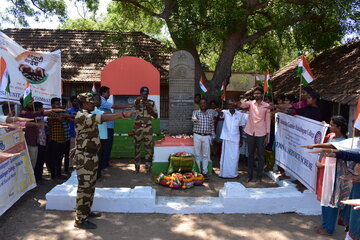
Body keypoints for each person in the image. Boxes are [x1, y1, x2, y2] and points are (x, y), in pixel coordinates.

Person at [73, 92, 136, 229]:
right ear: (84, 104)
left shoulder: (87, 114)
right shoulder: (83, 115)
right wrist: (121, 114)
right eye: (90, 102)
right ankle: (80, 220)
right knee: (84, 188)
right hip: (85, 157)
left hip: (90, 156)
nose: (93, 104)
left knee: (90, 186)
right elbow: (103, 118)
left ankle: (86, 212)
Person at [300, 115, 348, 235]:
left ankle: (329, 228)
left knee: (331, 202)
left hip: (334, 176)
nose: (330, 127)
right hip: (325, 174)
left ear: (339, 127)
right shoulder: (331, 137)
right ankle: (325, 224)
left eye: (332, 125)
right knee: (324, 199)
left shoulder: (343, 143)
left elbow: (342, 163)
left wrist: (323, 165)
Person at [234, 86, 271, 183]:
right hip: (250, 132)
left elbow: (267, 121)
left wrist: (267, 135)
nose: (256, 95)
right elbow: (241, 105)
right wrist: (236, 103)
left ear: (262, 94)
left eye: (258, 93)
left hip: (261, 133)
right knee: (250, 155)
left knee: (260, 156)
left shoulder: (266, 105)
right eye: (255, 93)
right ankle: (249, 176)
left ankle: (259, 177)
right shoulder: (250, 104)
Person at [99, 86, 132, 169]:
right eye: (108, 92)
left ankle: (105, 163)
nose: (109, 95)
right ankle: (103, 164)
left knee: (107, 146)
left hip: (108, 127)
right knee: (106, 146)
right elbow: (114, 106)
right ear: (103, 93)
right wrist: (127, 106)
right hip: (106, 128)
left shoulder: (103, 101)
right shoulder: (101, 100)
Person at [133, 86, 158, 173]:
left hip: (148, 127)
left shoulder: (152, 103)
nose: (145, 96)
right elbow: (135, 106)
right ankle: (137, 167)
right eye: (143, 94)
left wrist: (150, 109)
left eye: (146, 94)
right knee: (137, 147)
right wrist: (138, 100)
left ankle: (148, 167)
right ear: (140, 94)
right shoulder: (137, 102)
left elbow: (155, 116)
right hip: (138, 127)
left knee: (148, 147)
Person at [192, 98, 215, 178]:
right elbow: (194, 119)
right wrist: (196, 120)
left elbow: (212, 125)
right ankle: (198, 172)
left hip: (207, 136)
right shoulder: (196, 112)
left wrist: (212, 136)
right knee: (197, 154)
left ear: (206, 104)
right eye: (201, 103)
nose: (203, 105)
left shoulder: (210, 114)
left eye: (204, 103)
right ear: (199, 104)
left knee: (205, 155)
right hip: (197, 135)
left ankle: (205, 172)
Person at [218, 103, 243, 178]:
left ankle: (234, 173)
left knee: (235, 156)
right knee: (225, 157)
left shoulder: (239, 114)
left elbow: (240, 126)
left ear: (235, 108)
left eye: (232, 107)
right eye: (230, 107)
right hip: (227, 138)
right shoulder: (225, 112)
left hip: (235, 138)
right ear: (228, 107)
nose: (231, 109)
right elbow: (220, 115)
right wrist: (220, 110)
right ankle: (223, 174)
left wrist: (241, 138)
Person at [67, 96, 80, 172]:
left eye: (77, 101)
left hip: (80, 134)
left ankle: (78, 165)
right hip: (72, 133)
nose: (76, 103)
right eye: (75, 101)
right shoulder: (69, 111)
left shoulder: (81, 111)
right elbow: (68, 119)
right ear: (71, 102)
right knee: (72, 150)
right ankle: (70, 166)